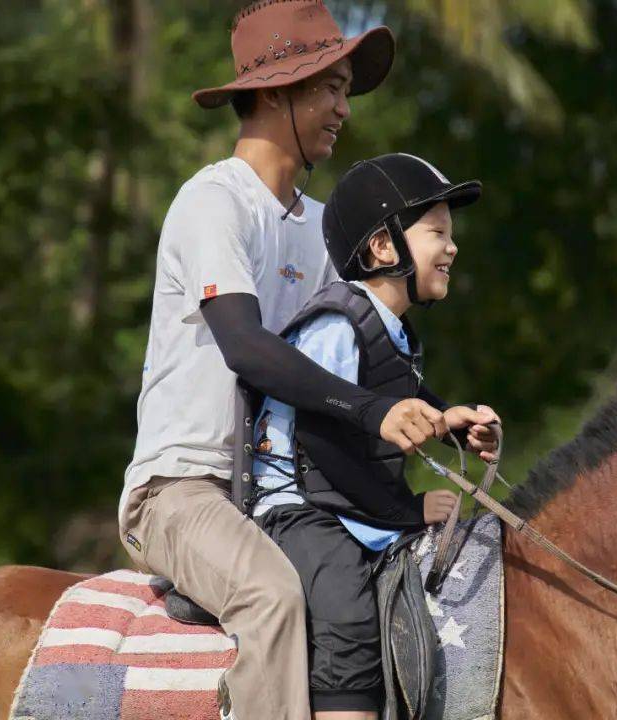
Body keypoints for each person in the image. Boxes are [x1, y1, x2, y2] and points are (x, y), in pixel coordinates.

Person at [117, 3, 448, 719]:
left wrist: (435, 438)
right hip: (181, 491)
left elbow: (352, 366)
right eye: (328, 88)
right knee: (273, 595)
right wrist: (373, 410)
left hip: (282, 500)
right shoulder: (212, 202)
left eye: (344, 90)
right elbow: (246, 346)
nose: (343, 109)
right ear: (274, 93)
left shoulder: (319, 234)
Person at [250, 153, 501, 718]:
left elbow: (398, 398)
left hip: (339, 502)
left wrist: (450, 422)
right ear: (383, 248)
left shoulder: (392, 330)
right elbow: (326, 447)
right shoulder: (338, 325)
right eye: (437, 231)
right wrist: (407, 512)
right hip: (298, 510)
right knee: (347, 612)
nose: (452, 247)